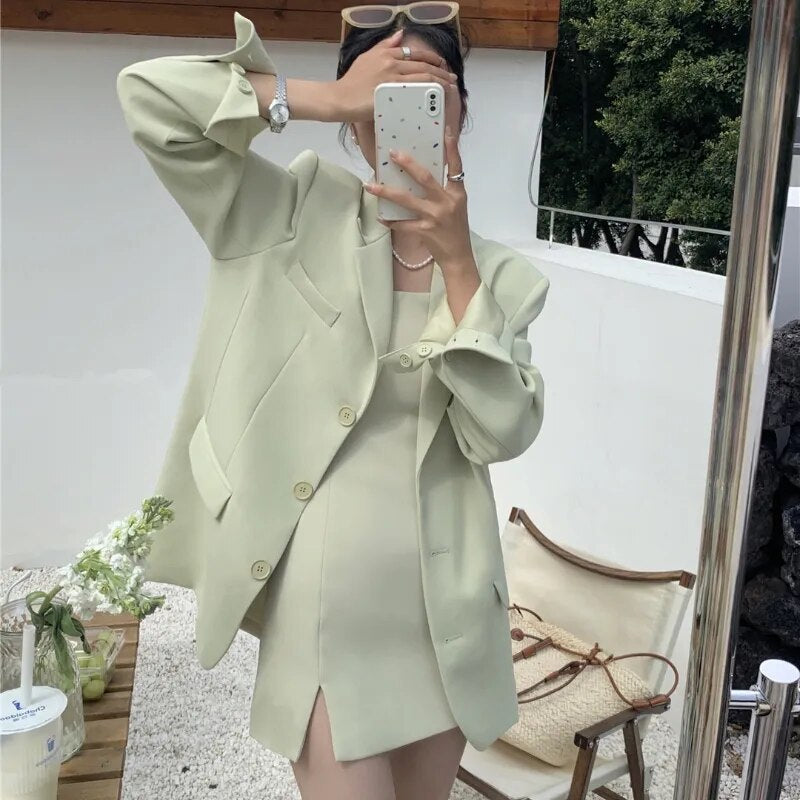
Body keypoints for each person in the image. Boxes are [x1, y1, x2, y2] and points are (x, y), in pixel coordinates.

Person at [116, 3, 550, 798]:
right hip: (327, 617)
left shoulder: (502, 280)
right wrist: (316, 97)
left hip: (447, 619)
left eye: (429, 83)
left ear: (461, 106)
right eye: (385, 86)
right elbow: (149, 98)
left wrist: (458, 265)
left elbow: (502, 432)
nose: (405, 102)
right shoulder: (287, 214)